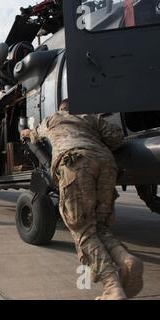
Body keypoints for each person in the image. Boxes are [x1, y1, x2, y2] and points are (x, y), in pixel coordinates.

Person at [21, 99, 144, 300]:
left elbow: (34, 135)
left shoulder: (53, 119)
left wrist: (25, 132)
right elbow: (116, 137)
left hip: (75, 161)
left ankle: (112, 288)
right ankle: (127, 259)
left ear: (61, 108)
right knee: (100, 226)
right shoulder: (91, 118)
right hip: (106, 164)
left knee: (83, 230)